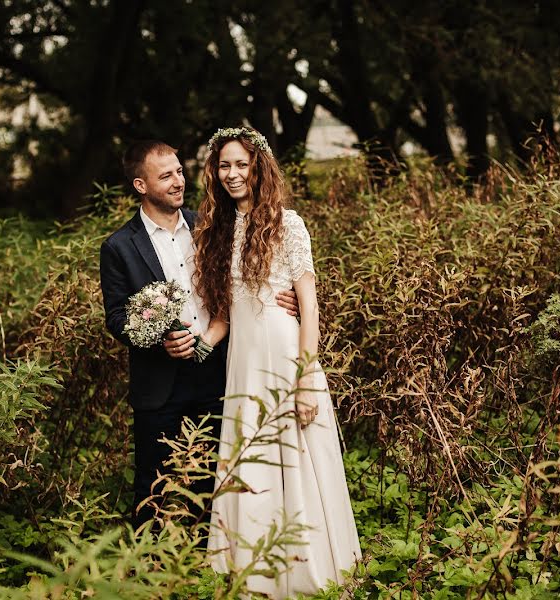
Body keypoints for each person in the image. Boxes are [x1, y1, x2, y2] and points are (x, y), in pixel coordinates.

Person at [191, 127, 361, 597]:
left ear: (259, 167)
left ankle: (306, 571)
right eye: (224, 166)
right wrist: (197, 346)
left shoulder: (289, 225)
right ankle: (255, 570)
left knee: (296, 458)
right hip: (243, 362)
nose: (232, 174)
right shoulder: (219, 231)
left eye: (241, 164)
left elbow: (309, 305)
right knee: (252, 460)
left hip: (287, 357)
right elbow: (225, 314)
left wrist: (307, 379)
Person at [99, 140, 298, 529]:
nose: (178, 181)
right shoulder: (119, 247)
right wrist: (159, 338)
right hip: (160, 383)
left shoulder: (209, 226)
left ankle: (211, 563)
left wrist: (284, 298)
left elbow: (245, 281)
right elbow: (117, 316)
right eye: (166, 176)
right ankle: (151, 569)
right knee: (153, 484)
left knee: (217, 478)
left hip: (217, 372)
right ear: (141, 185)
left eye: (179, 171)